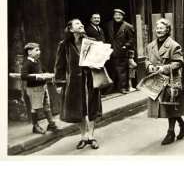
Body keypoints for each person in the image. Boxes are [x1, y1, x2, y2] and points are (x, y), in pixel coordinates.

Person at [54, 19, 102, 149]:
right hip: (74, 83)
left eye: (81, 23)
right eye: (77, 24)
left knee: (91, 108)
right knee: (78, 109)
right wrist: (59, 83)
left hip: (90, 80)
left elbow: (100, 59)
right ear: (70, 29)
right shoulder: (64, 44)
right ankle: (83, 136)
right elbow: (59, 65)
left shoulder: (91, 41)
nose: (81, 25)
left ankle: (91, 136)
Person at [145, 18, 184, 145]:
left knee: (170, 105)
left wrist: (164, 68)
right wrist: (149, 66)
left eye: (161, 28)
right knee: (164, 106)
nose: (158, 30)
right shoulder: (150, 45)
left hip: (171, 80)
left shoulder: (174, 45)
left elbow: (179, 63)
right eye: (157, 28)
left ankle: (170, 132)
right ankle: (182, 124)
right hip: (157, 80)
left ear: (167, 30)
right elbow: (147, 59)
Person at [21, 42, 59, 134]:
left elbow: (43, 70)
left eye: (39, 50)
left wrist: (48, 74)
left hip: (43, 87)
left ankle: (51, 124)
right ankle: (35, 126)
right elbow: (23, 76)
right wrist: (37, 77)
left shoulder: (38, 62)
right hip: (33, 89)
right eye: (36, 50)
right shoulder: (27, 63)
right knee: (35, 107)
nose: (39, 52)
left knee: (46, 105)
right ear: (29, 52)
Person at [106, 9, 135, 94]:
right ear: (113, 16)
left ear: (122, 16)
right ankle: (111, 88)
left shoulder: (128, 26)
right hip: (110, 51)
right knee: (111, 70)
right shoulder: (109, 24)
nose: (117, 17)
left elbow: (132, 39)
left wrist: (125, 46)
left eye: (119, 15)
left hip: (121, 52)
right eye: (116, 15)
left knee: (122, 71)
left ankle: (122, 88)